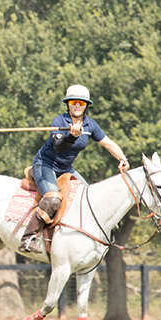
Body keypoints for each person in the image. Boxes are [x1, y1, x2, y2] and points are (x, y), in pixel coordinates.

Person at [19, 84, 130, 254]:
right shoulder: (59, 121)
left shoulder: (90, 125)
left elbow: (107, 143)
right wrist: (71, 136)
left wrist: (122, 158)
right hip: (45, 165)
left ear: (86, 106)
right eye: (73, 102)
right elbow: (58, 145)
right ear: (68, 104)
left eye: (81, 103)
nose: (77, 106)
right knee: (53, 199)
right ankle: (28, 238)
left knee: (88, 198)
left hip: (65, 169)